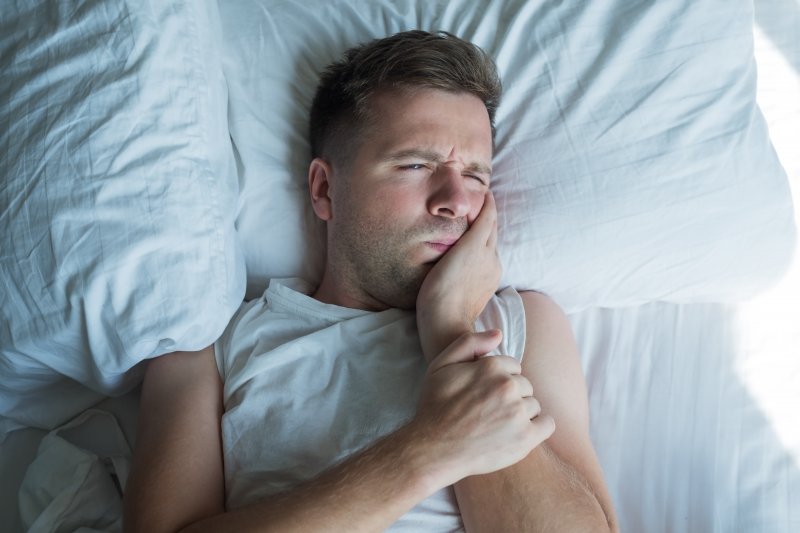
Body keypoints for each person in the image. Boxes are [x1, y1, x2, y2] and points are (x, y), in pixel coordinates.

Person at [124, 30, 618, 532]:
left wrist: (449, 329)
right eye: (416, 164)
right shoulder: (208, 343)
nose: (456, 200)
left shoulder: (522, 322)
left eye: (476, 175)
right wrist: (427, 452)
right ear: (324, 189)